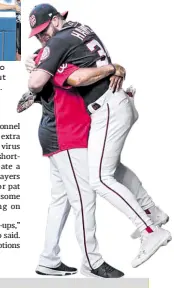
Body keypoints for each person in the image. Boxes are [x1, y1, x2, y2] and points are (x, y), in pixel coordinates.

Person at [27, 3, 172, 270]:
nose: (42, 37)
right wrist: (113, 68)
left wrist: (40, 67)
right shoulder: (81, 30)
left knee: (99, 179)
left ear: (57, 20)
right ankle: (153, 212)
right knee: (110, 169)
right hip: (113, 104)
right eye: (37, 35)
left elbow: (54, 80)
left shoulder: (57, 45)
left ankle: (150, 231)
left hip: (105, 108)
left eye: (43, 30)